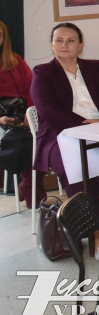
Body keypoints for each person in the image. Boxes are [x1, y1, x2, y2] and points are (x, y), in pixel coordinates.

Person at [31, 23, 99, 254]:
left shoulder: (94, 67)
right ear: (52, 45)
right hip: (61, 134)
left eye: (71, 40)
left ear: (80, 45)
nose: (64, 45)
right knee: (75, 166)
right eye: (59, 40)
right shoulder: (42, 72)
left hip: (98, 128)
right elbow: (47, 110)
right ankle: (97, 232)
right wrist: (82, 124)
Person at [0, 19, 37, 206]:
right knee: (24, 141)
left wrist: (27, 115)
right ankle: (32, 189)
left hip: (23, 114)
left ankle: (30, 187)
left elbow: (31, 88)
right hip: (2, 120)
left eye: (0, 34)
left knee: (45, 137)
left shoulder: (16, 60)